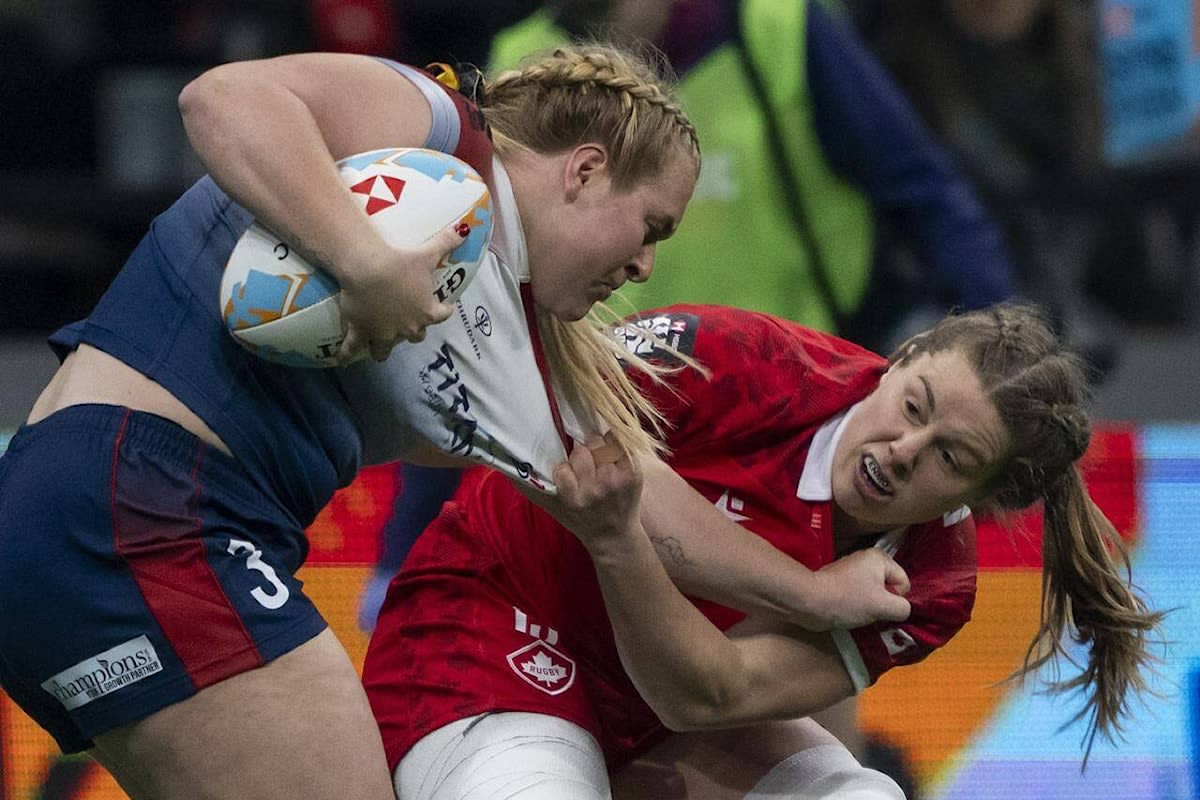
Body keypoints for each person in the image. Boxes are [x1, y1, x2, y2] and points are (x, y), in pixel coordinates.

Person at [0, 44, 704, 800]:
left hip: (70, 521)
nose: (645, 270)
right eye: (652, 228)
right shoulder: (439, 136)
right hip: (142, 507)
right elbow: (221, 97)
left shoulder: (489, 333)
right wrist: (363, 263)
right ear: (587, 169)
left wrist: (821, 594)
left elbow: (658, 517)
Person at [362, 302, 1163, 799]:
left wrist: (622, 544)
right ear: (903, 358)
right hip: (487, 641)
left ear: (982, 500)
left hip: (661, 718)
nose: (904, 447)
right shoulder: (737, 355)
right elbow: (594, 447)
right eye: (912, 404)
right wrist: (809, 594)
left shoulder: (934, 587)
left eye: (950, 457)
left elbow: (707, 697)